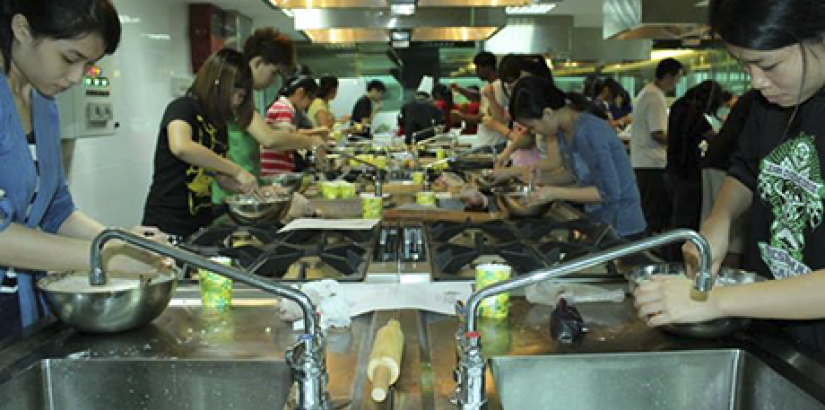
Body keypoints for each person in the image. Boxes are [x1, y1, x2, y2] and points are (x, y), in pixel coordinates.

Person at [635, 0, 825, 353]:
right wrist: (719, 219)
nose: (756, 81)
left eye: (768, 65)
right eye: (745, 65)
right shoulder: (768, 104)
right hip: (774, 332)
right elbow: (746, 170)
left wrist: (719, 301)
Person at [0, 0, 165, 334]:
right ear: (21, 29)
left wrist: (121, 241)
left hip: (18, 310)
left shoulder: (43, 104)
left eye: (88, 65)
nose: (77, 77)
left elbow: (56, 209)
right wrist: (106, 257)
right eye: (70, 58)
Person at [511, 76, 646, 239]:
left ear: (547, 113)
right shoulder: (563, 130)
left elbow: (609, 193)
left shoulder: (589, 132)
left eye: (532, 126)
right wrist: (544, 179)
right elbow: (577, 174)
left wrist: (554, 193)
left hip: (622, 226)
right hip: (600, 221)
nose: (534, 132)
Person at [143, 48, 258, 237]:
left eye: (242, 96)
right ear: (217, 84)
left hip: (199, 223)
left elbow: (220, 177)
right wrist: (238, 170)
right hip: (166, 223)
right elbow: (181, 147)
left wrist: (250, 190)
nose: (237, 102)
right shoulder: (183, 107)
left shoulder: (218, 124)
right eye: (235, 93)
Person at [211, 28, 326, 206]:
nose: (273, 81)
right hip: (229, 196)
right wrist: (310, 141)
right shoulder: (236, 95)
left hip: (245, 191)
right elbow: (269, 140)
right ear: (257, 63)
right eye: (274, 73)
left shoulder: (246, 97)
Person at [700, 89, 759, 268]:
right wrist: (720, 217)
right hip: (725, 167)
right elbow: (746, 166)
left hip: (718, 162)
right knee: (730, 236)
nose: (758, 80)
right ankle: (722, 273)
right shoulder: (760, 100)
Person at [630, 58, 684, 235]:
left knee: (647, 211)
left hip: (643, 161)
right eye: (677, 79)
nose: (676, 84)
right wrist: (679, 142)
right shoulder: (655, 96)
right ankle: (647, 252)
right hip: (653, 163)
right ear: (668, 76)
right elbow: (658, 132)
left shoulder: (647, 91)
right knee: (654, 214)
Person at [666, 80, 725, 234]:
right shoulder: (695, 113)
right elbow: (714, 138)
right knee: (687, 217)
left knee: (676, 215)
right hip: (689, 171)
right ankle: (681, 251)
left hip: (673, 167)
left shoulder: (679, 105)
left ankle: (671, 250)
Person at [261, 76, 319, 176]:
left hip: (272, 167)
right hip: (276, 168)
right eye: (310, 98)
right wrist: (309, 143)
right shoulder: (285, 108)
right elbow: (285, 141)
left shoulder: (281, 105)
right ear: (300, 92)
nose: (309, 104)